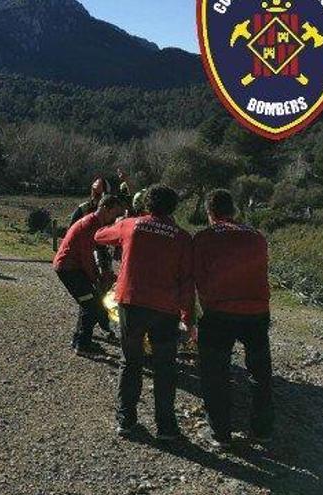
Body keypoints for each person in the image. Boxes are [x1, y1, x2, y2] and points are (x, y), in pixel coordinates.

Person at [94, 184, 194, 440]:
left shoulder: (131, 225)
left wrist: (119, 222)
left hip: (132, 304)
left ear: (146, 204)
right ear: (173, 207)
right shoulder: (182, 237)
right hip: (165, 309)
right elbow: (186, 281)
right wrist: (188, 317)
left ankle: (126, 420)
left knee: (131, 362)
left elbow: (100, 236)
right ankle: (166, 427)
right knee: (165, 367)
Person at [193, 189, 273, 449]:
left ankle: (221, 434)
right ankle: (262, 431)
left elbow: (194, 276)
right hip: (257, 312)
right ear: (234, 211)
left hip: (219, 314)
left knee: (215, 373)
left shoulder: (204, 237)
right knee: (260, 374)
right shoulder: (257, 237)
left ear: (210, 213)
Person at [54, 195, 124, 357]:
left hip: (74, 268)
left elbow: (93, 255)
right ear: (105, 208)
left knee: (88, 303)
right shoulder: (89, 225)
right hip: (69, 269)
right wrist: (95, 279)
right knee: (91, 306)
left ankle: (80, 340)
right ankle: (82, 344)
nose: (114, 218)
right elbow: (86, 257)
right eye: (114, 213)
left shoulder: (94, 223)